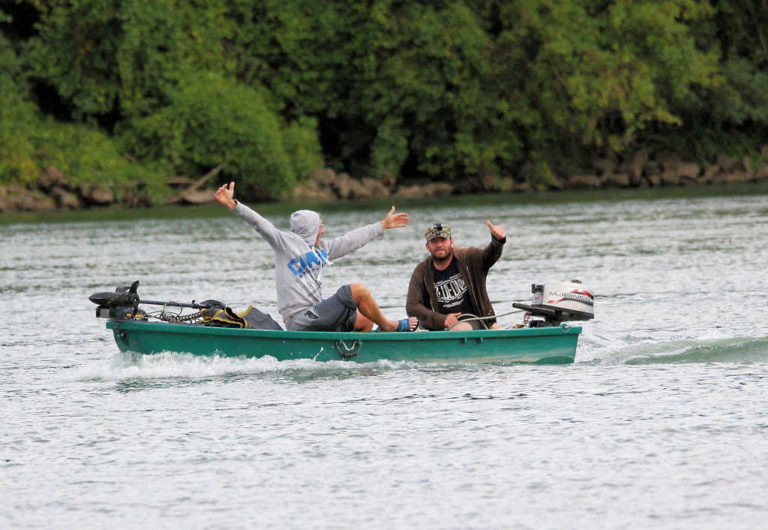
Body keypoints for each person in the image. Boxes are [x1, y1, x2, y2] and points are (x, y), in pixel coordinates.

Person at [214, 181, 418, 333]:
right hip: (299, 320)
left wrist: (381, 226)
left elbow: (351, 240)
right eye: (320, 226)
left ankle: (352, 353)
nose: (323, 230)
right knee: (358, 291)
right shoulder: (284, 244)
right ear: (310, 228)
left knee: (365, 321)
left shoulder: (323, 249)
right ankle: (390, 326)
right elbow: (260, 223)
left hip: (316, 313)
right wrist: (234, 205)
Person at [406, 221, 506, 331]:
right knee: (408, 327)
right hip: (437, 326)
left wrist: (498, 240)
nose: (439, 245)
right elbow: (412, 306)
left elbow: (490, 255)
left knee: (459, 329)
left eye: (443, 240)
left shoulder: (469, 258)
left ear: (451, 242)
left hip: (473, 321)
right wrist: (442, 319)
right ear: (427, 246)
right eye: (434, 241)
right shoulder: (421, 271)